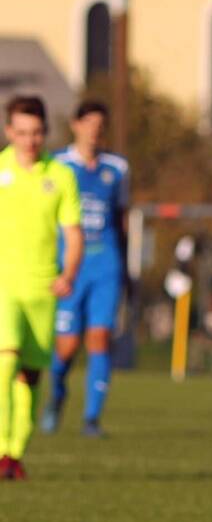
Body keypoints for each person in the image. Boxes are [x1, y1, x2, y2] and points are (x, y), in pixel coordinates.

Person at [0, 96, 83, 480]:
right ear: (8, 132)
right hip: (4, 286)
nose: (29, 140)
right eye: (22, 132)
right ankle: (1, 448)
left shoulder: (61, 175)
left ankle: (15, 452)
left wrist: (67, 274)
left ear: (45, 133)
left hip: (43, 290)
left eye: (36, 133)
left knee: (29, 377)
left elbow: (73, 233)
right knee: (5, 359)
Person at [41, 101, 129, 437]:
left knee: (100, 338)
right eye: (88, 123)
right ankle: (57, 392)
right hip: (69, 265)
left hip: (105, 262)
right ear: (76, 125)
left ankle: (91, 418)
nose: (94, 130)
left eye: (100, 124)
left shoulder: (117, 168)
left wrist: (126, 267)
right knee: (66, 344)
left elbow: (122, 220)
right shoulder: (58, 165)